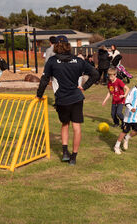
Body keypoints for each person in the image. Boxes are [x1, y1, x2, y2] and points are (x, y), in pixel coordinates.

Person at [36, 35, 99, 165]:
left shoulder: (52, 61)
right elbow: (95, 74)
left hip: (61, 100)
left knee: (65, 124)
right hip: (76, 98)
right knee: (76, 127)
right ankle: (73, 157)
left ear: (55, 46)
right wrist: (84, 87)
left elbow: (44, 80)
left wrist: (39, 95)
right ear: (68, 46)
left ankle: (65, 152)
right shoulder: (78, 60)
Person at [113, 72, 137, 155]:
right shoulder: (133, 90)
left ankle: (127, 138)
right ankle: (116, 146)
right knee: (124, 131)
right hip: (129, 116)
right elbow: (127, 102)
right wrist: (131, 108)